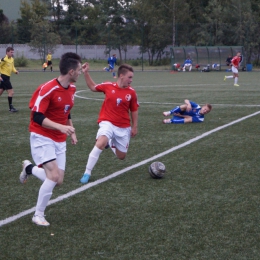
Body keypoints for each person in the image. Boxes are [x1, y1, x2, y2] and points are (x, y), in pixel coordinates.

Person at [19, 52, 85, 226]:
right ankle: (38, 215)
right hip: (41, 135)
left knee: (58, 181)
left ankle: (29, 169)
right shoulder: (48, 89)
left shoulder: (72, 88)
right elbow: (37, 116)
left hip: (59, 137)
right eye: (79, 70)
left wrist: (71, 130)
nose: (80, 73)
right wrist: (60, 127)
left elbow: (66, 109)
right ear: (71, 71)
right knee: (54, 176)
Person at [80, 63, 139, 184]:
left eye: (132, 78)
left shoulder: (132, 92)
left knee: (121, 156)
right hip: (107, 122)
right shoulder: (108, 86)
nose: (131, 80)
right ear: (121, 76)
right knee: (100, 143)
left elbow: (134, 110)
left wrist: (135, 126)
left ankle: (110, 142)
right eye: (129, 77)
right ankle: (87, 172)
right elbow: (93, 87)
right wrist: (86, 73)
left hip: (123, 127)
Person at [0, 47, 19, 112]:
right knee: (11, 92)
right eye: (11, 52)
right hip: (4, 77)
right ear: (7, 52)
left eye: (12, 52)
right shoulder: (3, 59)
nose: (12, 53)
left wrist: (15, 71)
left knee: (0, 91)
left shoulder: (12, 59)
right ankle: (11, 108)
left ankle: (11, 108)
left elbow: (12, 67)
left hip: (7, 77)